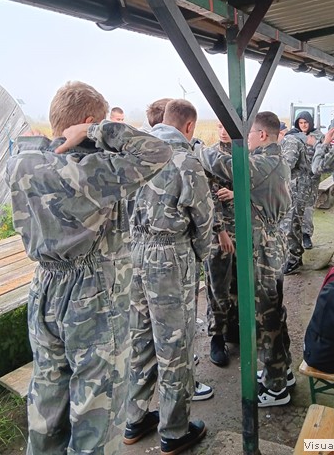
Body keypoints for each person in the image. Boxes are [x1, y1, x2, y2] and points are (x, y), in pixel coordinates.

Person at [5, 81, 172, 455]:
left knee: (48, 398)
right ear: (85, 121)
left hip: (44, 287)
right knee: (98, 409)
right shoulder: (91, 170)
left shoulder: (20, 163)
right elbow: (158, 151)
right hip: (92, 294)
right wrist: (97, 131)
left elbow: (35, 148)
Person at [124, 99, 213, 455]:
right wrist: (201, 255)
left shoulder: (136, 154)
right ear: (189, 127)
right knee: (175, 344)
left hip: (136, 252)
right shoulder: (186, 161)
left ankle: (134, 418)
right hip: (170, 257)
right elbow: (203, 219)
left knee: (140, 336)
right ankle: (174, 431)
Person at [195, 112, 294, 407]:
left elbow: (227, 165)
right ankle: (282, 370)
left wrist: (196, 148)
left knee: (266, 318)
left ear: (261, 135)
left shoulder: (264, 162)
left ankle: (276, 388)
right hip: (270, 245)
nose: (244, 140)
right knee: (274, 311)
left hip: (264, 250)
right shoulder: (275, 159)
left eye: (248, 134)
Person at [205, 121, 238, 367]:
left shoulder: (245, 155)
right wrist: (220, 231)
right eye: (219, 127)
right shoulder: (210, 157)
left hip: (243, 230)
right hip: (220, 234)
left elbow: (259, 187)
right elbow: (207, 198)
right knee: (217, 284)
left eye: (227, 126)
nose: (224, 131)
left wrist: (237, 193)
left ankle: (233, 328)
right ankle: (216, 336)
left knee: (238, 283)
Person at [280, 124, 313, 275]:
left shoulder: (290, 141)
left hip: (296, 189)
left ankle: (293, 259)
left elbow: (287, 165)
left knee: (291, 223)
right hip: (294, 187)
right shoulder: (288, 141)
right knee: (291, 223)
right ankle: (293, 256)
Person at [293, 111, 324, 250]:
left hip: (311, 179)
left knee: (308, 208)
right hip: (297, 180)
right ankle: (295, 235)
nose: (303, 125)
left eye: (306, 122)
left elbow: (324, 153)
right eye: (300, 123)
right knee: (295, 208)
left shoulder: (318, 136)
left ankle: (306, 234)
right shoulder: (294, 135)